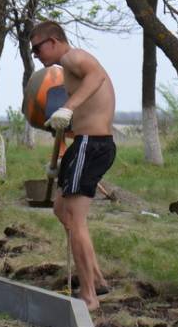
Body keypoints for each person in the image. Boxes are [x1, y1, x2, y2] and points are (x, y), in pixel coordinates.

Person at [30, 20, 115, 311]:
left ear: (52, 41)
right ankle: (98, 279)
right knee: (59, 208)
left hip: (93, 144)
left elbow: (98, 78)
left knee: (74, 218)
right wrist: (58, 160)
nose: (36, 55)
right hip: (84, 144)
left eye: (37, 49)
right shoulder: (66, 70)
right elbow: (75, 115)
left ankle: (89, 296)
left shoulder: (74, 57)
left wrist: (68, 107)